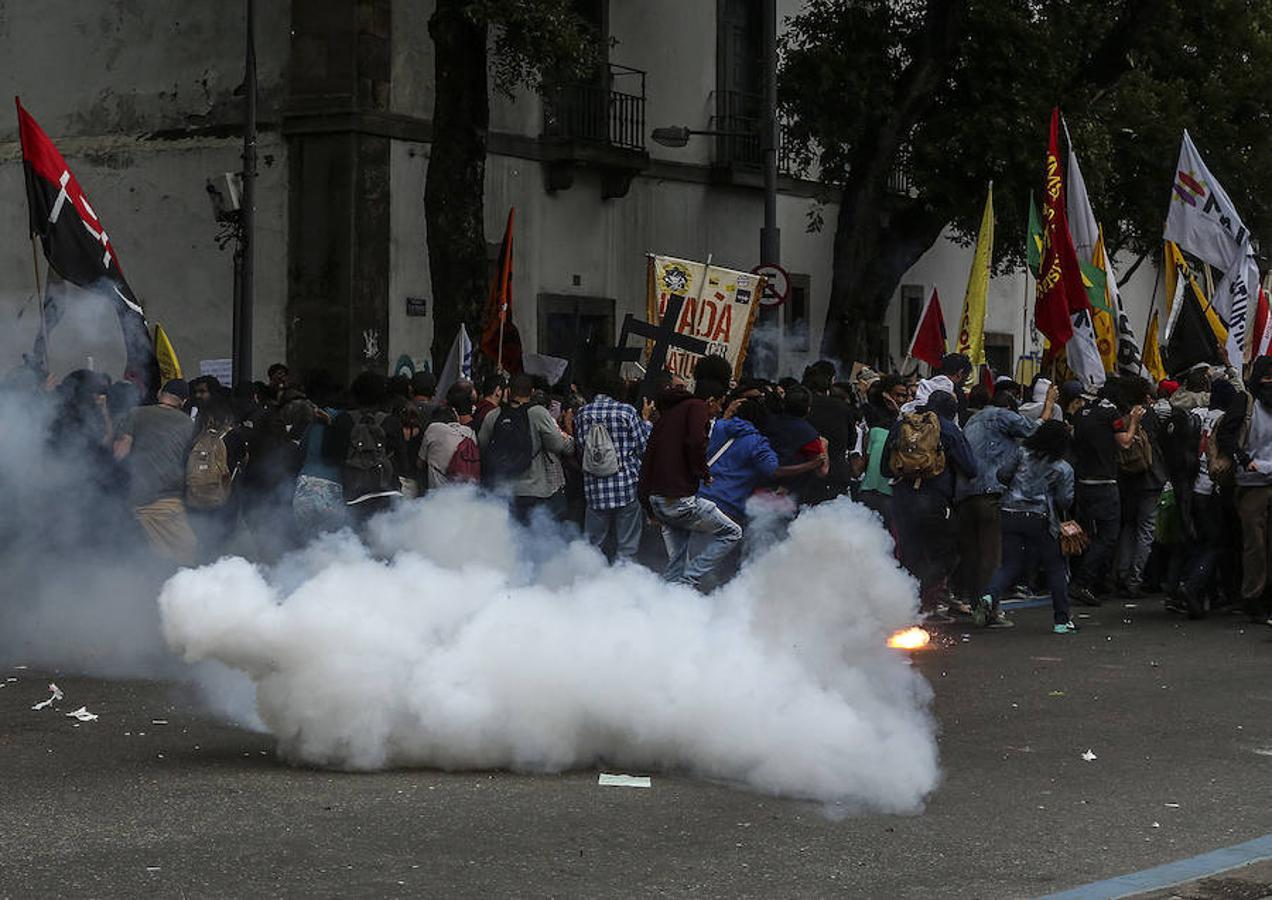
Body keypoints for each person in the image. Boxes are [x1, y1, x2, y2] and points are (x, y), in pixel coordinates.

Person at [951, 383, 1053, 613]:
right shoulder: (1000, 415)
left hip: (965, 495)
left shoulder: (972, 421)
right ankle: (988, 610)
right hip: (990, 493)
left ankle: (970, 602)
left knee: (972, 554)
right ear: (1008, 407)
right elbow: (1033, 431)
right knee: (991, 556)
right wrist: (1047, 409)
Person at [883, 385, 977, 622]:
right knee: (948, 553)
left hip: (902, 499)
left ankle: (904, 607)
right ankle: (927, 603)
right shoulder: (949, 430)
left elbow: (886, 468)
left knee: (908, 554)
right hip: (935, 501)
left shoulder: (901, 425)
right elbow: (971, 467)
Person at [639, 378, 741, 589]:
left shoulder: (668, 415)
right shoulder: (696, 407)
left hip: (657, 499)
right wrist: (703, 473)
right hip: (678, 501)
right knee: (732, 533)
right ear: (711, 400)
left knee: (675, 568)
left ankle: (664, 605)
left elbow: (648, 458)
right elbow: (695, 442)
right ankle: (690, 578)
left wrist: (648, 506)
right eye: (719, 404)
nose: (718, 411)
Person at [978, 420, 1077, 633]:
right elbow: (1065, 500)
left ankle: (989, 595)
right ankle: (1061, 621)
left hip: (1009, 513)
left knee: (1009, 564)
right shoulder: (1062, 467)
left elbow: (1002, 474)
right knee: (1055, 567)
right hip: (1040, 518)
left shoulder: (1022, 453)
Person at [700, 395, 827, 560]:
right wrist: (810, 465)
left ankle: (676, 581)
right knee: (716, 557)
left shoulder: (719, 426)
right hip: (727, 506)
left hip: (698, 497)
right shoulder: (757, 443)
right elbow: (774, 471)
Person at [1068, 380, 1143, 607]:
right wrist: (1134, 423)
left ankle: (1088, 580)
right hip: (1104, 483)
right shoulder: (1111, 413)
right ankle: (1082, 582)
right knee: (1108, 536)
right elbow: (1125, 443)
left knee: (1086, 533)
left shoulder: (1080, 414)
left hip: (1082, 482)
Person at [113, 379, 198, 565]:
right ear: (183, 402)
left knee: (153, 556)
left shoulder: (135, 414)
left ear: (160, 393)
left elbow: (119, 452)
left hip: (136, 497)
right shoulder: (188, 424)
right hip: (166, 501)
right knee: (186, 552)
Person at [570, 369, 651, 562]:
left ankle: (588, 582)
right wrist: (646, 422)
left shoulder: (582, 414)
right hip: (626, 487)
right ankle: (622, 584)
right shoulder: (627, 412)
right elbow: (643, 447)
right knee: (627, 547)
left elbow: (581, 449)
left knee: (592, 546)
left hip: (594, 489)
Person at [1217, 356, 1272, 623]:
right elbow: (1225, 435)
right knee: (1256, 544)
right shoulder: (1247, 402)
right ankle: (1253, 597)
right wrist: (1243, 459)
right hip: (1252, 484)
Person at [479, 372, 574, 521]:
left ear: (509, 391)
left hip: (503, 489)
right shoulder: (538, 413)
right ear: (532, 392)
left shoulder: (494, 415)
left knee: (509, 536)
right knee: (533, 537)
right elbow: (556, 444)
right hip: (534, 488)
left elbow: (482, 445)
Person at [1113, 376, 1169, 599]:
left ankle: (1122, 573)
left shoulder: (1120, 416)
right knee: (1146, 529)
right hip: (1150, 476)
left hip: (1127, 476)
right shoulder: (1149, 415)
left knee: (1129, 526)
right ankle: (1134, 579)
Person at [328, 372, 406, 521]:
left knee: (355, 540)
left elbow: (332, 457)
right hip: (388, 493)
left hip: (355, 494)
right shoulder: (392, 422)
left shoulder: (342, 421)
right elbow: (403, 463)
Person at [858, 375, 908, 530]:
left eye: (904, 396)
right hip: (870, 491)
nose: (900, 399)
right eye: (897, 395)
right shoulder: (873, 426)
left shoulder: (907, 426)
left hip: (891, 494)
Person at [419, 383, 481, 490]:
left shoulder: (433, 429)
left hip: (438, 496)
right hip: (468, 495)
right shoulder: (471, 432)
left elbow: (420, 463)